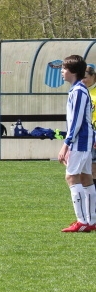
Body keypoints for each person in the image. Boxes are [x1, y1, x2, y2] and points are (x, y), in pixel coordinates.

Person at [57, 55, 96, 232]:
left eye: (64, 69)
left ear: (73, 71)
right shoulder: (78, 89)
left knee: (71, 177)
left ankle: (82, 221)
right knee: (86, 177)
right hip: (85, 140)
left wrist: (66, 144)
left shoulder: (79, 91)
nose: (62, 72)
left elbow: (77, 121)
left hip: (80, 141)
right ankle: (91, 220)